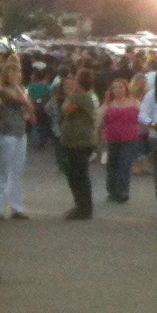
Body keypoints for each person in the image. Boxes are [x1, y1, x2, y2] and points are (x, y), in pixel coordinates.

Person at [57, 68, 101, 219]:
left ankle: (83, 208)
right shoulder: (90, 96)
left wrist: (70, 94)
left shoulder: (79, 97)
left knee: (77, 176)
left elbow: (65, 109)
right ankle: (83, 206)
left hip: (77, 141)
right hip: (85, 139)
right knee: (80, 175)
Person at [0, 61, 34, 219]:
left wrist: (21, 92)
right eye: (12, 72)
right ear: (6, 75)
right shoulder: (1, 90)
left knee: (17, 171)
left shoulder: (23, 89)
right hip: (7, 132)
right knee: (2, 170)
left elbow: (30, 108)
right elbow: (19, 101)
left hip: (20, 132)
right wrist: (19, 90)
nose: (16, 75)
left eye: (18, 72)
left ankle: (16, 207)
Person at [99, 77, 144, 203]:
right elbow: (99, 117)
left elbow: (143, 118)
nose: (118, 90)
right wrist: (106, 102)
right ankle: (112, 190)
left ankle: (123, 191)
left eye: (121, 87)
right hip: (112, 138)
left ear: (126, 89)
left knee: (125, 164)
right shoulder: (109, 103)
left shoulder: (134, 102)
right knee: (112, 164)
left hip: (130, 138)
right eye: (115, 87)